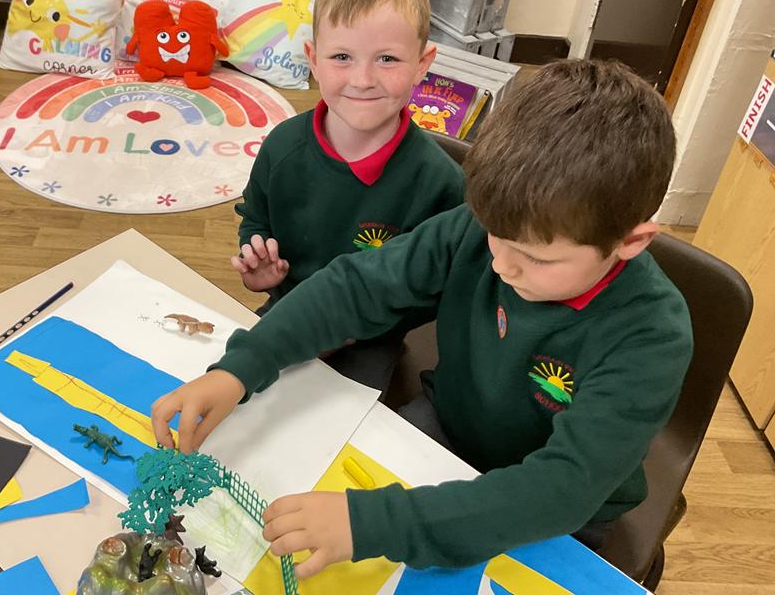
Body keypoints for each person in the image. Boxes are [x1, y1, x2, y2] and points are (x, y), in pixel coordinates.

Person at [152, 59, 692, 578]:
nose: (501, 266)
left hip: (560, 509)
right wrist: (242, 367)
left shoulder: (651, 335)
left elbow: (562, 490)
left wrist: (372, 524)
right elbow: (355, 288)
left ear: (631, 242)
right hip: (446, 428)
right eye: (495, 236)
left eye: (536, 259)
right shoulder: (475, 232)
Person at [230, 0, 465, 395]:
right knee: (240, 400)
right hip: (284, 317)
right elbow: (256, 217)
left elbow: (434, 287)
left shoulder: (441, 183)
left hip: (370, 343)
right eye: (342, 56)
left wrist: (355, 330)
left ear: (422, 63)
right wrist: (256, 268)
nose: (362, 79)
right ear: (313, 59)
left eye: (387, 58)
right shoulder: (282, 146)